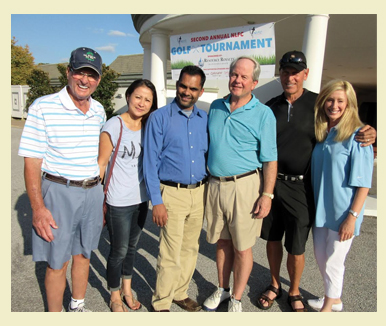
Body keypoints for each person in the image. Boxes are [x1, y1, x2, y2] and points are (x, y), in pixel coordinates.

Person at [257, 51, 376, 312]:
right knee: (273, 238)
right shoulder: (269, 106)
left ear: (305, 75)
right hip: (271, 184)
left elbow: (345, 121)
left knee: (297, 245)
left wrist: (370, 130)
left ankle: (296, 290)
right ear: (280, 74)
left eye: (295, 72)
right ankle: (275, 284)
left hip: (302, 187)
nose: (290, 76)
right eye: (285, 71)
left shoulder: (317, 105)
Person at [18, 47, 105, 312]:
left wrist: (98, 192)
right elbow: (32, 161)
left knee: (84, 254)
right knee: (57, 262)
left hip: (91, 192)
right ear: (68, 72)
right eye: (79, 72)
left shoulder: (99, 110)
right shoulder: (43, 107)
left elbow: (101, 155)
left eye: (91, 75)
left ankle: (77, 307)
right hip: (58, 191)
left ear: (98, 80)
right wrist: (38, 209)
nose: (84, 80)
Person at [203, 56, 278, 312]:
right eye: (235, 74)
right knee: (222, 242)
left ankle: (236, 298)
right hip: (215, 186)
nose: (237, 80)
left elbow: (270, 159)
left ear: (254, 82)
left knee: (243, 246)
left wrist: (267, 195)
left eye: (244, 76)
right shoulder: (215, 106)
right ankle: (223, 290)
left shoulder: (263, 114)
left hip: (244, 187)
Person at [143, 65, 208, 312]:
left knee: (191, 248)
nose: (186, 92)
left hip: (199, 193)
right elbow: (149, 163)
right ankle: (161, 303)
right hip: (171, 193)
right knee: (170, 250)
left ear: (200, 91)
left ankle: (180, 293)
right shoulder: (160, 118)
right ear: (177, 84)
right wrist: (156, 201)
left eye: (193, 88)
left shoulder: (205, 119)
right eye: (183, 86)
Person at [309, 80, 373, 312]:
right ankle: (334, 299)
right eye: (330, 99)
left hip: (343, 213)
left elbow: (364, 184)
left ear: (349, 105)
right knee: (321, 258)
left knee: (334, 262)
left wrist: (352, 217)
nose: (334, 105)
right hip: (321, 211)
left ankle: (328, 309)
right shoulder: (323, 132)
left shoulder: (358, 136)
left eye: (340, 101)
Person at [98, 79, 158, 312]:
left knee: (132, 247)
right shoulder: (114, 125)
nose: (141, 103)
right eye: (138, 97)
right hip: (118, 201)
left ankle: (126, 289)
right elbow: (101, 164)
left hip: (141, 200)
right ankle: (114, 295)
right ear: (128, 97)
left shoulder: (148, 127)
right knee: (118, 250)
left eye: (147, 100)